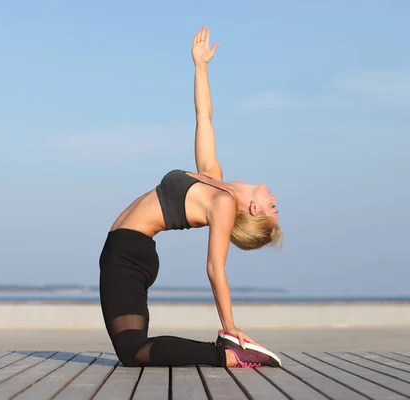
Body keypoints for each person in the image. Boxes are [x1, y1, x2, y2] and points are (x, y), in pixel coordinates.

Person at [99, 26, 282, 368]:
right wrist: (201, 68)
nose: (275, 199)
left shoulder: (223, 204)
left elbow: (215, 267)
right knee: (133, 350)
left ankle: (226, 354)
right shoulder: (214, 181)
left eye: (273, 208)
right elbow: (204, 117)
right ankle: (225, 352)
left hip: (126, 253)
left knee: (133, 352)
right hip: (130, 251)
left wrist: (229, 326)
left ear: (254, 209)